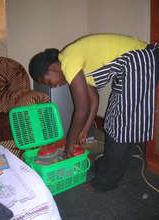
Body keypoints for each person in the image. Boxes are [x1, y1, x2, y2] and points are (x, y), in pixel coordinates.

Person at [28, 33, 159, 192]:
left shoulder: (68, 60)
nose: (53, 86)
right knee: (112, 120)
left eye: (49, 82)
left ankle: (106, 181)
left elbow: (81, 108)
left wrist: (70, 144)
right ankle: (106, 165)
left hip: (140, 61)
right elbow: (93, 99)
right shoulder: (77, 67)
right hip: (128, 67)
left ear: (52, 68)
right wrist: (84, 129)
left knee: (123, 126)